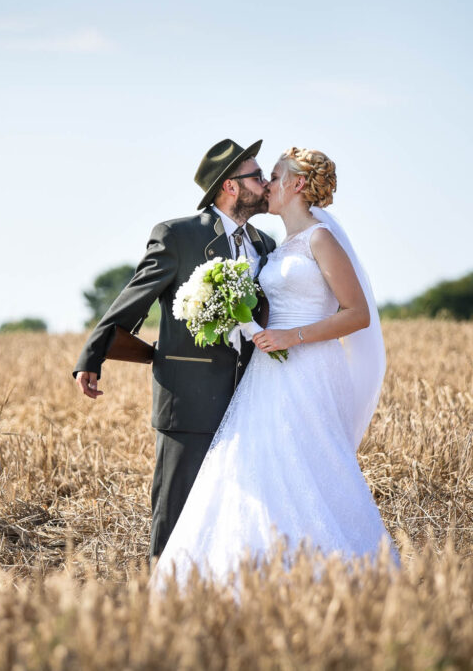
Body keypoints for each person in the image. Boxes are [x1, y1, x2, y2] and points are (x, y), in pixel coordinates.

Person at [152, 147, 398, 586]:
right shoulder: (276, 246)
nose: (265, 184)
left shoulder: (321, 239)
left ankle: (328, 573)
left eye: (274, 175)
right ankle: (255, 572)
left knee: (309, 465)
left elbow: (357, 313)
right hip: (266, 374)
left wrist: (291, 337)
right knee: (256, 465)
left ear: (297, 184)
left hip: (308, 368)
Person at [73, 139, 277, 559]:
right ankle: (161, 590)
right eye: (257, 176)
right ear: (231, 186)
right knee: (175, 511)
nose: (266, 183)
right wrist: (92, 355)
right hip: (188, 397)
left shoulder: (266, 245)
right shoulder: (179, 235)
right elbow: (135, 297)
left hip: (251, 398)